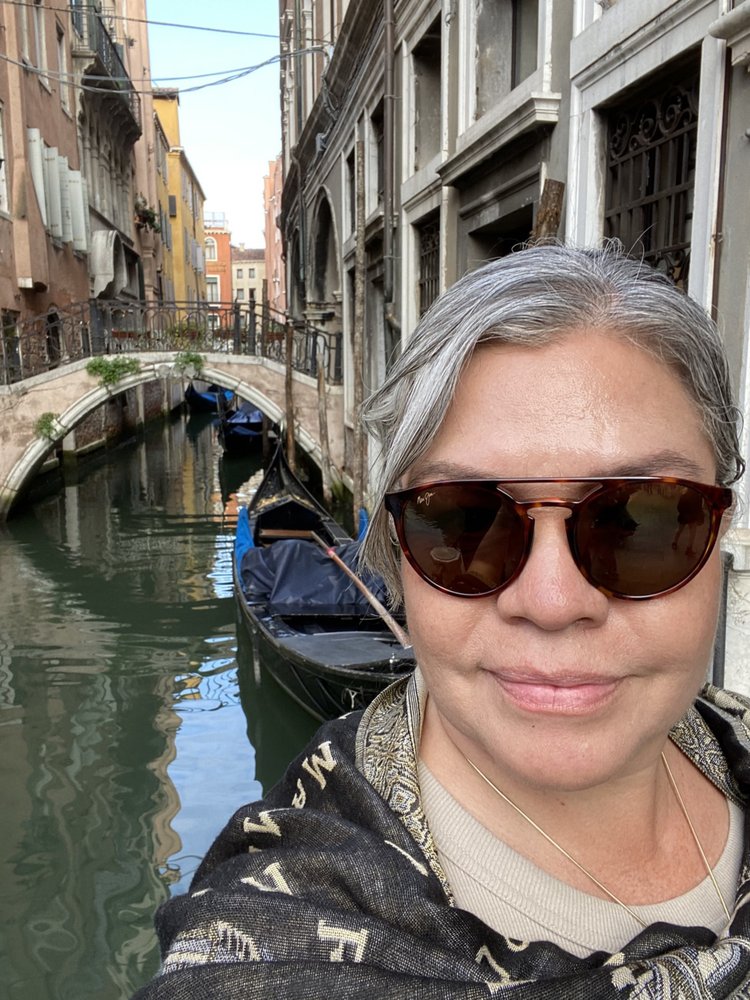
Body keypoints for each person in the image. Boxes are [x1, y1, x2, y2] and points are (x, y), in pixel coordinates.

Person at [134, 244, 749, 998]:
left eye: (641, 520)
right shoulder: (273, 929)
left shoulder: (737, 738)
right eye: (463, 521)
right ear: (397, 548)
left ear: (720, 528)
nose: (552, 602)